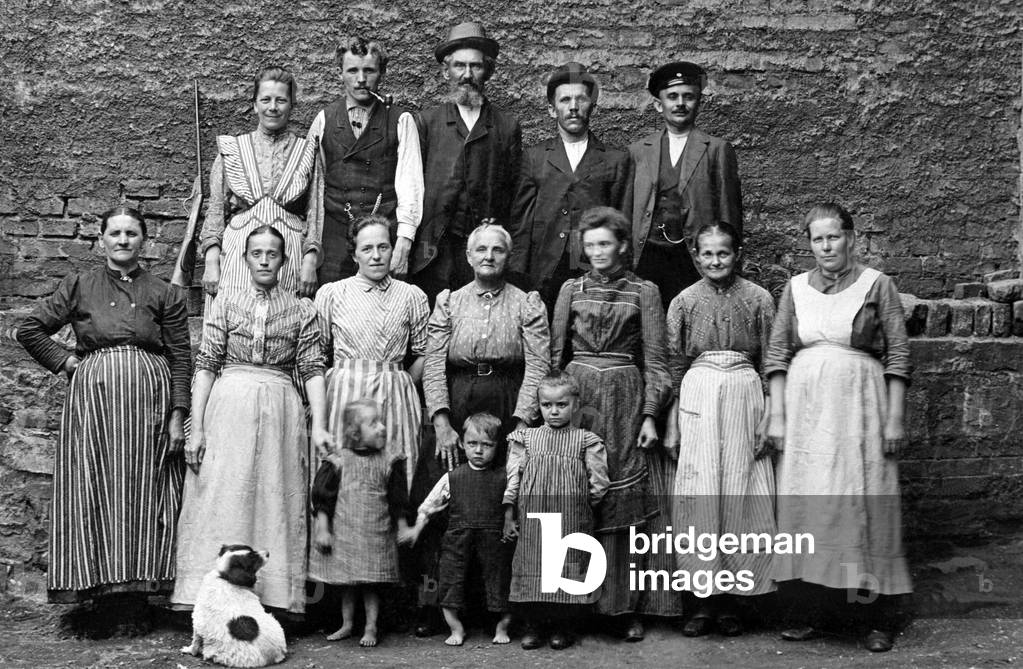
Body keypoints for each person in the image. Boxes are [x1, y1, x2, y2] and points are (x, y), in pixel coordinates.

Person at [16, 207, 190, 632]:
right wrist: (65, 362)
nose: (124, 240)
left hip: (149, 405)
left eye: (132, 233)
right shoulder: (79, 284)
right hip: (93, 405)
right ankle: (97, 600)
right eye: (116, 233)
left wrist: (177, 415)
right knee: (92, 488)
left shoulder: (165, 293)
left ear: (143, 241)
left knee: (144, 493)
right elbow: (29, 329)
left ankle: (137, 599)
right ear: (102, 239)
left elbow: (182, 357)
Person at [764, 203, 912, 653]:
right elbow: (776, 355)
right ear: (808, 244)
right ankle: (812, 613)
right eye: (817, 239)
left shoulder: (877, 284)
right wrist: (777, 414)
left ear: (851, 237)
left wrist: (893, 417)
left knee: (860, 504)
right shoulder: (793, 289)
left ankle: (873, 618)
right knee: (811, 508)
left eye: (833, 237)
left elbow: (899, 355)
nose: (826, 247)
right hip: (807, 414)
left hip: (859, 409)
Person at [172, 225, 330, 614]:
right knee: (223, 490)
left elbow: (312, 370)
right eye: (256, 253)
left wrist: (322, 424)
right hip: (229, 404)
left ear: (283, 260)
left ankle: (272, 597)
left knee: (274, 492)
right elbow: (206, 365)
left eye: (272, 253)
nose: (263, 260)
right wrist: (198, 426)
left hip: (280, 408)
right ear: (244, 259)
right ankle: (208, 595)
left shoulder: (301, 309)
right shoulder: (225, 302)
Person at [414, 222, 548, 635]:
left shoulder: (527, 303)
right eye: (481, 250)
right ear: (469, 257)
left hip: (508, 398)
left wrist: (522, 424)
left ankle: (508, 608)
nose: (489, 256)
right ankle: (435, 606)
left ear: (509, 257)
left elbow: (539, 364)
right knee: (440, 493)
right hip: (459, 399)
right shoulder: (450, 302)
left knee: (506, 498)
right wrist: (441, 421)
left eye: (498, 250)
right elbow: (434, 362)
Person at [550, 206, 673, 639]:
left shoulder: (645, 292)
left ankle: (623, 609)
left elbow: (658, 362)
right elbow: (553, 357)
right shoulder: (571, 288)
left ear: (622, 245)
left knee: (621, 500)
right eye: (590, 245)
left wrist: (650, 414)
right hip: (579, 396)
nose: (597, 252)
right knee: (575, 495)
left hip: (624, 398)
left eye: (605, 244)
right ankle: (569, 612)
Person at [664, 222, 776, 637]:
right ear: (695, 255)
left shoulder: (760, 299)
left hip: (746, 394)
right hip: (697, 395)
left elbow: (771, 360)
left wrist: (770, 413)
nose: (715, 261)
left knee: (741, 491)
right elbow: (674, 365)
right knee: (700, 492)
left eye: (723, 253)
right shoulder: (683, 301)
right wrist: (673, 421)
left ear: (738, 253)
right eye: (707, 254)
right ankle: (700, 602)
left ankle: (734, 603)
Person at [315, 215, 430, 490]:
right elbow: (316, 355)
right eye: (367, 249)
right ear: (354, 255)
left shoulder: (411, 296)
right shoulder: (331, 294)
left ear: (392, 249)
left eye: (383, 247)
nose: (376, 256)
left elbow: (427, 353)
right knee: (341, 478)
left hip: (394, 397)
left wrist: (399, 383)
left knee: (393, 479)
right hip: (344, 393)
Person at [410, 21, 522, 304]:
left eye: (476, 66)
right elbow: (411, 185)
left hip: (482, 250)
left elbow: (513, 189)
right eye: (459, 66)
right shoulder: (427, 122)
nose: (467, 75)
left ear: (488, 71)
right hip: (433, 249)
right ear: (446, 70)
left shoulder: (506, 127)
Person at [509, 62, 631, 311]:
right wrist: (517, 275)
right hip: (544, 269)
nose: (573, 108)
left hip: (594, 267)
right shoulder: (534, 158)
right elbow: (521, 224)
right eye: (565, 100)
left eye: (581, 100)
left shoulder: (615, 159)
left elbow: (622, 222)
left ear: (592, 106)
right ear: (552, 110)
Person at [504, 372, 609, 650]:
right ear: (538, 406)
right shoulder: (526, 438)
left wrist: (581, 506)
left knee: (567, 568)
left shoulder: (586, 440)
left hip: (571, 516)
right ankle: (534, 625)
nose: (553, 411)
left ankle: (563, 626)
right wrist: (511, 508)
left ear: (575, 404)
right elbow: (514, 476)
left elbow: (598, 482)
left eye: (561, 405)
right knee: (533, 566)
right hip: (534, 516)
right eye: (546, 405)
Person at [306, 37, 424, 285]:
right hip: (336, 236)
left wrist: (403, 242)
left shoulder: (400, 120)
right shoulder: (324, 119)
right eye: (352, 70)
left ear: (381, 73)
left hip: (383, 236)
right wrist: (311, 248)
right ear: (340, 74)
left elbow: (411, 185)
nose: (361, 79)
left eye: (369, 70)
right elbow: (314, 188)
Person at [199, 66, 320, 304]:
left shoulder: (307, 151)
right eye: (265, 99)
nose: (272, 107)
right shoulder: (233, 150)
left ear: (292, 105)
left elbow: (315, 212)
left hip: (288, 255)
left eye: (281, 100)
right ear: (255, 105)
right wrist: (212, 262)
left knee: (284, 325)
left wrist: (310, 260)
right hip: (238, 254)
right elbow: (215, 212)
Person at [628, 61, 742, 310]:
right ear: (659, 104)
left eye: (688, 96)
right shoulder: (638, 151)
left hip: (691, 257)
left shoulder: (716, 149)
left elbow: (728, 212)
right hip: (647, 256)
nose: (680, 103)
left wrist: (727, 262)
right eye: (672, 96)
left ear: (698, 102)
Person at [399, 413, 515, 646]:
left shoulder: (505, 476)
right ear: (462, 443)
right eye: (473, 444)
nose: (479, 450)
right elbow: (428, 507)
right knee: (450, 581)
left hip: (493, 540)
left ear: (497, 446)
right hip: (457, 540)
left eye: (487, 445)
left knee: (500, 582)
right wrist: (417, 529)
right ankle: (456, 628)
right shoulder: (452, 477)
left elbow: (513, 506)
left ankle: (502, 628)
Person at [310, 399, 411, 647]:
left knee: (371, 583)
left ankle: (371, 626)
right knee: (348, 582)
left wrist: (403, 527)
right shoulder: (338, 461)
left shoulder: (389, 460)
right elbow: (323, 499)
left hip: (376, 533)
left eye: (381, 422)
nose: (382, 428)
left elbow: (398, 500)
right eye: (373, 423)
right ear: (355, 433)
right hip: (345, 532)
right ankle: (347, 624)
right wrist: (323, 528)